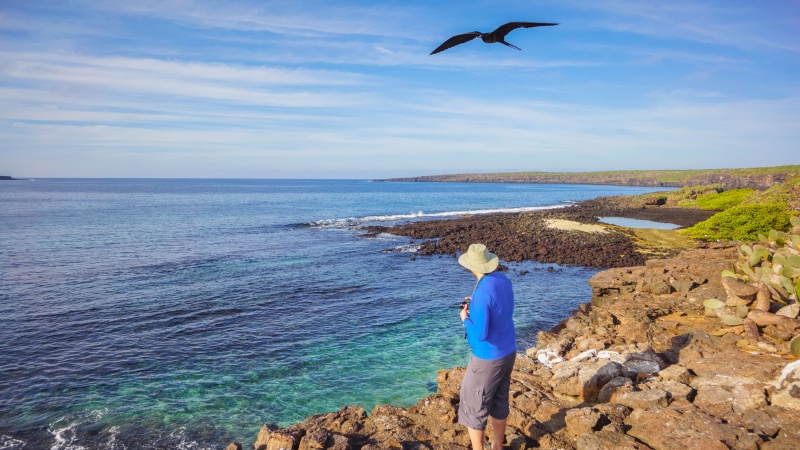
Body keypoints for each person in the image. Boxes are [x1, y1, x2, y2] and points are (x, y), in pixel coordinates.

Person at [457, 243, 516, 450]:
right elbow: (502, 307)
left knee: (474, 405)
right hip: (509, 351)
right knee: (500, 401)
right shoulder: (503, 280)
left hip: (488, 358)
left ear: (471, 266)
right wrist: (477, 304)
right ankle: (497, 446)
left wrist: (465, 318)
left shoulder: (482, 295)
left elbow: (479, 337)